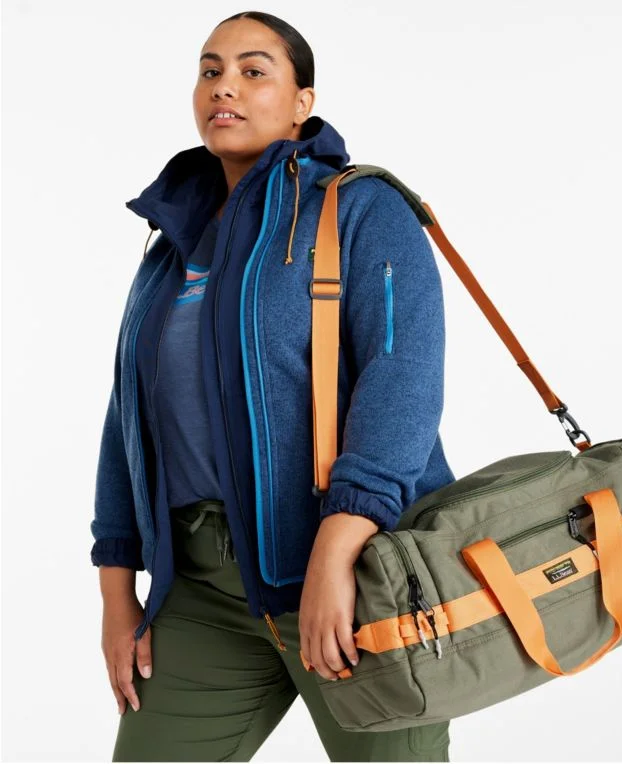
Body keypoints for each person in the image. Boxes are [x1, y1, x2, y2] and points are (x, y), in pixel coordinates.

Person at [90, 10, 456, 762]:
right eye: (210, 70)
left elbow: (403, 380)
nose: (224, 86)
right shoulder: (172, 244)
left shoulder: (360, 208)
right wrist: (117, 592)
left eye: (254, 71)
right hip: (201, 592)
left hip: (358, 579)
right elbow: (128, 414)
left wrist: (335, 554)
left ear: (301, 102)